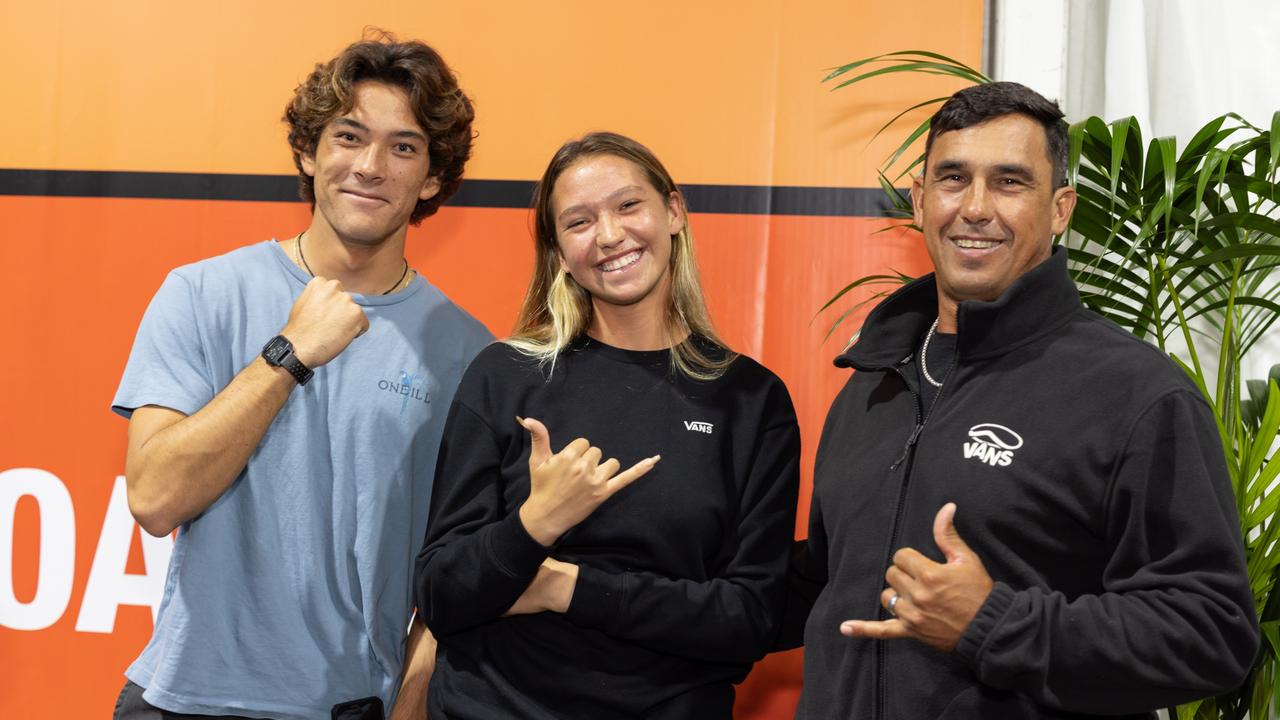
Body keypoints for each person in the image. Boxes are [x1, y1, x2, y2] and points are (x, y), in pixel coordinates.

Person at [780, 81, 1259, 719]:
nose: (975, 208)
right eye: (953, 178)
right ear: (920, 201)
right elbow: (820, 585)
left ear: (1061, 209)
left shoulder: (1137, 394)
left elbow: (1213, 635)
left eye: (1009, 182)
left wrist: (992, 623)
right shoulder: (873, 380)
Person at [110, 34, 492, 720]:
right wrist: (289, 352)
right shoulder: (202, 293)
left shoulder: (468, 353)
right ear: (310, 152)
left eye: (403, 147)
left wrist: (407, 704)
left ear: (432, 178)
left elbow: (457, 572)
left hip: (348, 706)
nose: (370, 166)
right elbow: (156, 495)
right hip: (180, 700)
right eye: (349, 136)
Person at [414, 131, 801, 719]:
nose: (609, 235)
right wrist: (534, 524)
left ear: (673, 211)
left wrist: (563, 587)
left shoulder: (750, 400)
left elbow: (748, 619)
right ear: (558, 251)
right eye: (578, 222)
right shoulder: (506, 376)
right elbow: (441, 595)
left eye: (627, 206)